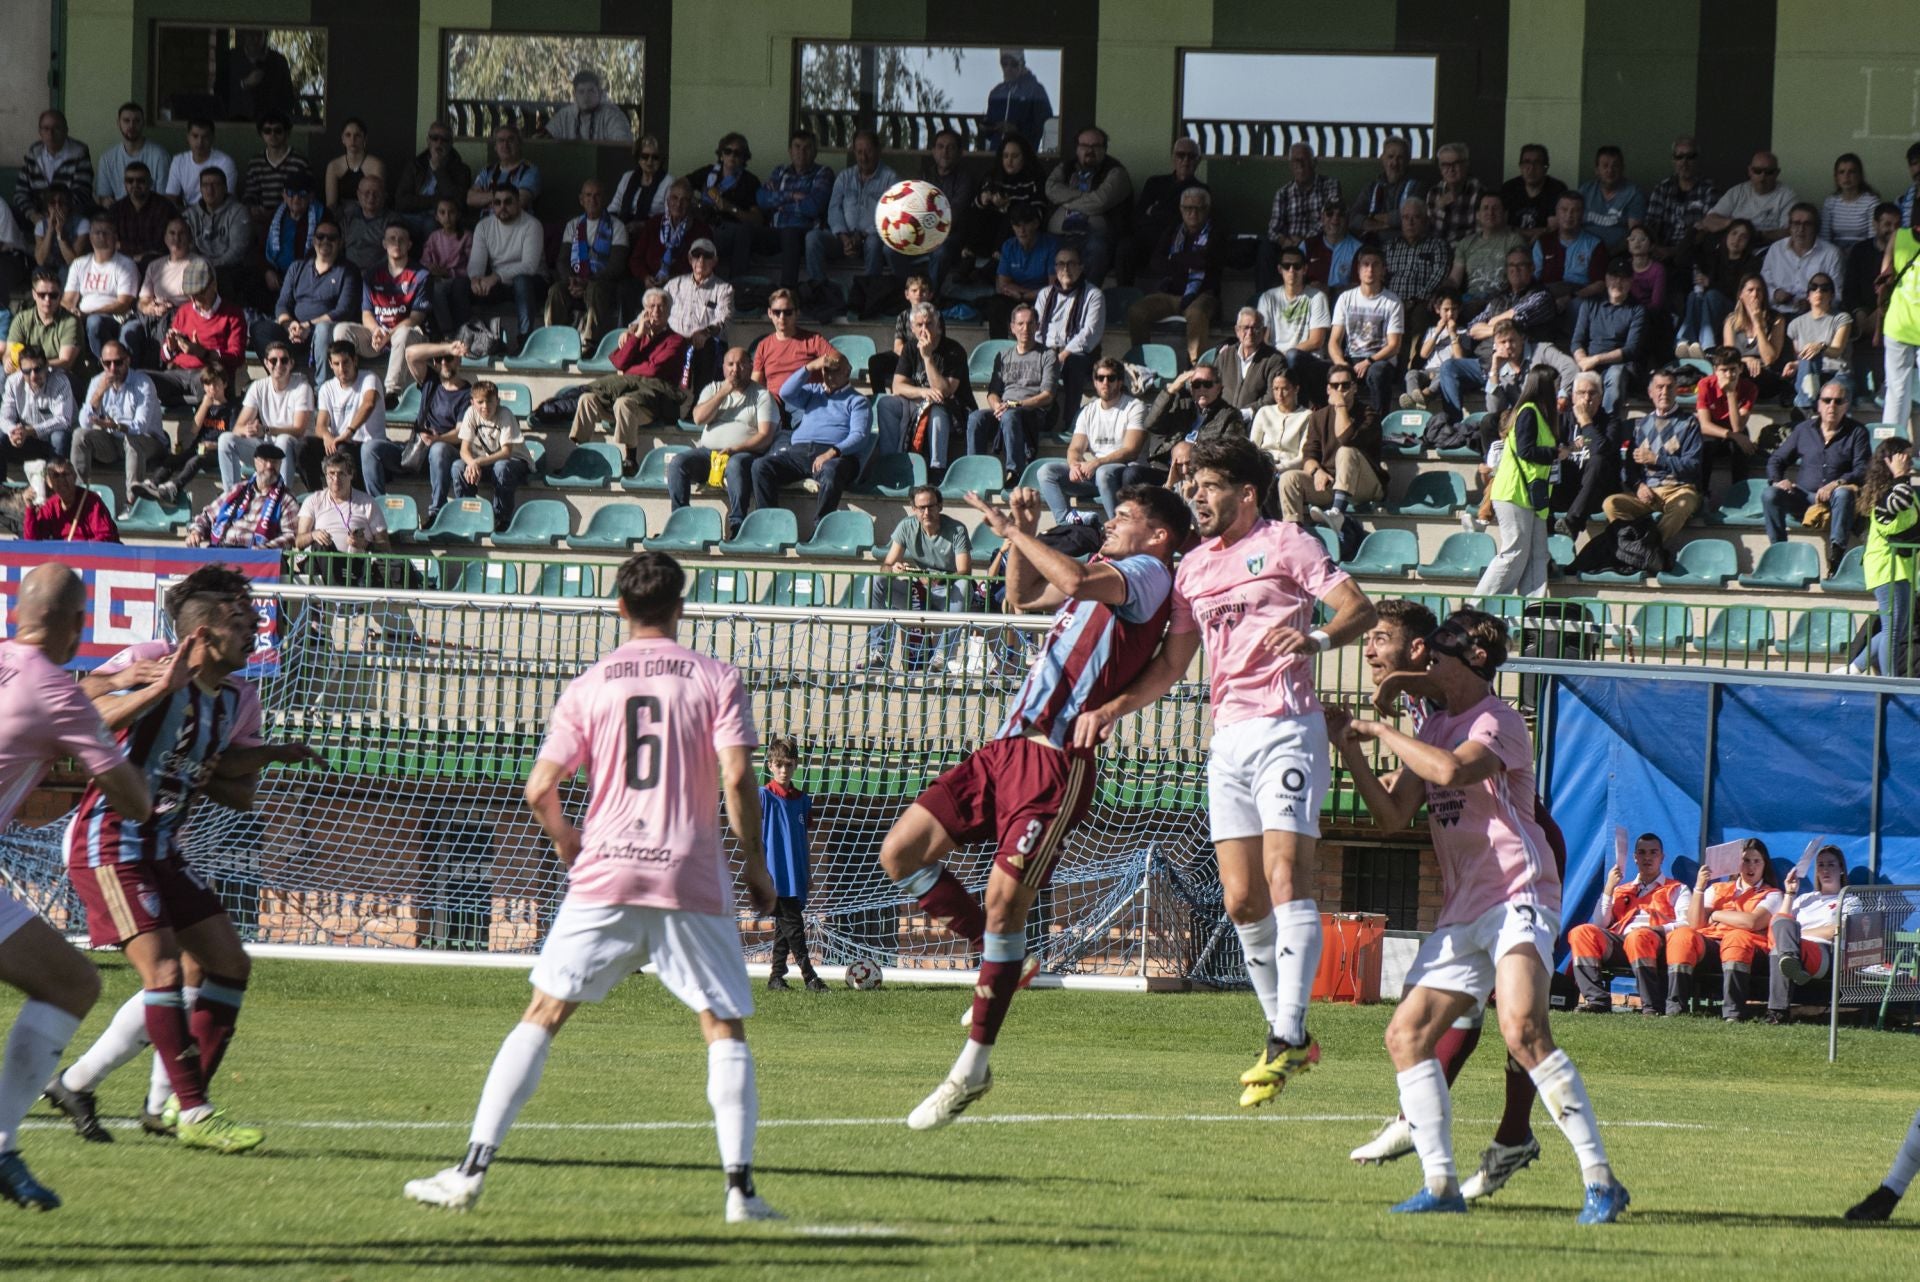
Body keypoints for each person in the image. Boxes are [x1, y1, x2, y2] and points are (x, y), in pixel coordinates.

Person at [402, 551, 780, 1220]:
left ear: (619, 608)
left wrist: (565, 841)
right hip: (686, 870)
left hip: (605, 869)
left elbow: (540, 788)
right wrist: (752, 861)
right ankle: (739, 1192)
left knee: (543, 1015)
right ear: (681, 608)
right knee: (722, 1025)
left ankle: (469, 1172)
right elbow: (738, 777)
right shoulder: (716, 676)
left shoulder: (590, 682)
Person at [876, 480, 1189, 1127]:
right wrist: (1024, 534)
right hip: (1005, 747)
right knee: (898, 854)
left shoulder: (1149, 576)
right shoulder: (1104, 575)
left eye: (1124, 517)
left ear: (1156, 535)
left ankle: (973, 1067)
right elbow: (1023, 597)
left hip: (1055, 762)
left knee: (1002, 900)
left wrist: (1014, 533)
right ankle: (1008, 962)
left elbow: (1073, 583)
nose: (1111, 524)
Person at [1079, 439, 1374, 1110]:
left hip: (1287, 729)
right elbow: (1172, 665)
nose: (1198, 497)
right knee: (1240, 900)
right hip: (1230, 740)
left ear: (1247, 493)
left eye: (1210, 485)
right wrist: (1114, 708)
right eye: (1194, 485)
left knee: (1284, 877)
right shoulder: (1191, 570)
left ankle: (1286, 1032)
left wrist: (1317, 638)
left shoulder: (1289, 542)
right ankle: (1287, 1034)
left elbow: (1361, 609)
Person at [1329, 609, 1628, 1221]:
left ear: (1474, 663)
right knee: (1405, 1035)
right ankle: (1440, 1187)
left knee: (1521, 1028)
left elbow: (1452, 771)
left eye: (1440, 655)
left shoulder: (1500, 720)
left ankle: (1601, 1180)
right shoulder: (1436, 724)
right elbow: (1390, 817)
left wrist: (1377, 731)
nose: (1429, 663)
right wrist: (1347, 749)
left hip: (1519, 892)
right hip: (1466, 904)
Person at [50, 568, 322, 1154]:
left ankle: (169, 1101)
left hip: (161, 848)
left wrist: (272, 754)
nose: (254, 635)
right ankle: (192, 1111)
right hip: (109, 844)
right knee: (166, 971)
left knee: (228, 962)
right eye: (242, 624)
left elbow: (229, 787)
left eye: (255, 623)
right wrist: (150, 687)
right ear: (201, 634)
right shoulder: (157, 670)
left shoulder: (231, 700)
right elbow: (82, 718)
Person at [1343, 598, 1563, 1199]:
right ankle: (1440, 1122)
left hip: (1520, 856)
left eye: (1381, 639)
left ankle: (1490, 1128)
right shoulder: (1421, 698)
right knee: (1450, 1009)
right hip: (1469, 864)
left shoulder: (1435, 683)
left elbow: (1445, 754)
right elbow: (1395, 807)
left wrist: (1388, 703)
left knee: (1516, 1018)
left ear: (1423, 651)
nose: (1369, 651)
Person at [0, 563, 152, 1210]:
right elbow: (134, 800)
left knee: (69, 979)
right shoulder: (56, 693)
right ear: (73, 626)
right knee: (71, 984)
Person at [1567, 832, 1690, 1015]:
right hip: (1622, 942)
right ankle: (1597, 1001)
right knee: (1581, 932)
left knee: (1638, 937)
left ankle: (1651, 1007)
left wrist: (1658, 929)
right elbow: (1600, 923)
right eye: (1642, 852)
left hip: (1655, 943)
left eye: (1653, 852)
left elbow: (1688, 923)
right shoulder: (1622, 889)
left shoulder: (1677, 889)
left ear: (1662, 857)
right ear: (1634, 858)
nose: (1647, 857)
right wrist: (1609, 888)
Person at [569, 289, 688, 473]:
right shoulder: (635, 337)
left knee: (624, 403)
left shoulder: (676, 341)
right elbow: (618, 362)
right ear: (644, 311)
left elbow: (654, 370)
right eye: (651, 307)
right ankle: (580, 453)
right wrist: (637, 335)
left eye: (661, 307)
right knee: (587, 399)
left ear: (669, 311)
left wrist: (627, 371)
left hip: (651, 403)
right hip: (622, 397)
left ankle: (630, 458)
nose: (656, 311)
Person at [1472, 366, 1564, 600]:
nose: (1558, 389)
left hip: (1532, 496)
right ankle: (1477, 606)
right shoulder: (1528, 411)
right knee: (1514, 552)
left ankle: (1533, 610)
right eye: (1555, 384)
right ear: (1544, 386)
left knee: (1537, 555)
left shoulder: (1539, 414)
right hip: (1514, 492)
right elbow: (1526, 450)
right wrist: (1556, 453)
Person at [749, 353, 870, 527]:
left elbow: (860, 436)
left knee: (831, 471)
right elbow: (786, 393)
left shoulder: (858, 401)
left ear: (847, 372)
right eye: (826, 371)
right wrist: (809, 367)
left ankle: (821, 527)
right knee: (761, 466)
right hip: (799, 452)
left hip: (836, 455)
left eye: (835, 372)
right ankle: (770, 525)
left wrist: (831, 452)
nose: (829, 376)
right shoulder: (814, 391)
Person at [668, 347, 777, 540]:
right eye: (731, 364)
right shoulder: (713, 389)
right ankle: (680, 521)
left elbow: (765, 436)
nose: (736, 369)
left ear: (750, 366)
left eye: (741, 364)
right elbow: (699, 418)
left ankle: (738, 525)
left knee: (735, 465)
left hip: (744, 454)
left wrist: (735, 449)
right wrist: (723, 392)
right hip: (708, 454)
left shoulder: (762, 396)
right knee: (678, 463)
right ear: (723, 367)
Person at [1665, 837, 1779, 1020]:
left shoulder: (1772, 894)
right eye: (1745, 861)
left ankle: (1733, 1013)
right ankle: (1675, 1009)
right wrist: (1700, 888)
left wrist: (1716, 914)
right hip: (1712, 944)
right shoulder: (1718, 888)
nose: (1751, 867)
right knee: (1682, 936)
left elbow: (1752, 922)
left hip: (1746, 949)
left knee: (1736, 937)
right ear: (1736, 864)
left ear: (1765, 864)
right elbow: (1696, 924)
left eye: (1757, 861)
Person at [1763, 382, 1868, 574]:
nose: (1832, 406)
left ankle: (1836, 559)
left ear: (1846, 405)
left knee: (1844, 494)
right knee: (1770, 494)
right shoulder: (1804, 429)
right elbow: (1776, 459)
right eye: (1827, 400)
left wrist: (1836, 484)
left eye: (1838, 401)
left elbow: (1862, 469)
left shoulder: (1857, 432)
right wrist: (1778, 481)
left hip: (1837, 499)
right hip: (1803, 498)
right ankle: (1779, 552)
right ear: (1819, 404)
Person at [865, 486, 974, 671]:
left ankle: (941, 657)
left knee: (964, 585)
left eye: (931, 506)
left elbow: (964, 571)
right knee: (875, 581)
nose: (926, 512)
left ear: (940, 506)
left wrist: (940, 579)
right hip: (916, 590)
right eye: (921, 508)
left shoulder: (957, 529)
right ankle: (879, 653)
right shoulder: (906, 526)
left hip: (946, 591)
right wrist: (894, 568)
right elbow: (886, 564)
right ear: (913, 508)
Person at [1279, 369, 1388, 547]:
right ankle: (1293, 534)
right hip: (1331, 483)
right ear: (1327, 389)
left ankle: (1337, 512)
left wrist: (1340, 407)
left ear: (1354, 388)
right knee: (1288, 478)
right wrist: (1316, 472)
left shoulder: (1370, 415)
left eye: (1345, 385)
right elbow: (1309, 455)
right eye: (1334, 386)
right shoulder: (1318, 417)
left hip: (1365, 485)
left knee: (1346, 451)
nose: (1340, 390)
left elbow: (1346, 438)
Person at [1036, 356, 1146, 522]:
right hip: (1095, 475)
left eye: (1111, 378)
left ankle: (1116, 527)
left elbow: (1131, 451)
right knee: (1046, 472)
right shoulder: (1088, 411)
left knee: (1103, 473)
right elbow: (1075, 449)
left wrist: (1097, 463)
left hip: (1124, 474)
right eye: (1100, 378)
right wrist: (1074, 465)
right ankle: (1067, 522)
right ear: (1094, 382)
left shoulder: (1135, 407)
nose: (1105, 382)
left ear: (1120, 382)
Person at [1602, 366, 1704, 544]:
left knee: (1683, 505)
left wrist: (1657, 459)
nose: (1664, 392)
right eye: (1659, 387)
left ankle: (1647, 547)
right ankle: (1630, 545)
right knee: (1611, 504)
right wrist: (1638, 486)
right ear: (1650, 392)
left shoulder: (1689, 423)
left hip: (1680, 490)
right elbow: (1629, 469)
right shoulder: (1640, 425)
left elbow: (1693, 466)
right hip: (1648, 493)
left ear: (1676, 391)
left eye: (1669, 387)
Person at [1128, 188, 1224, 366]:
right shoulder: (1173, 231)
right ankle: (1141, 364)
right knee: (1137, 312)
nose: (1192, 213)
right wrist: (1188, 260)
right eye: (1187, 208)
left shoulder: (1216, 232)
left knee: (1196, 314)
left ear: (1206, 209)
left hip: (1203, 295)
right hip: (1170, 294)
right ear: (1180, 209)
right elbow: (1156, 262)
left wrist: (1174, 259)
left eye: (1198, 208)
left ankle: (1197, 368)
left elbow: (1206, 261)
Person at [335, 222, 430, 398]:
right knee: (341, 330)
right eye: (392, 239)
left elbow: (417, 317)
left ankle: (392, 393)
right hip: (378, 337)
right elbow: (367, 313)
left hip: (408, 338)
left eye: (402, 239)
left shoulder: (420, 274)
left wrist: (390, 333)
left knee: (403, 333)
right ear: (384, 243)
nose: (397, 243)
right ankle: (348, 383)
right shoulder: (372, 273)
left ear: (409, 245)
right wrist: (376, 330)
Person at [759, 737, 823, 992]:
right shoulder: (763, 796)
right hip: (774, 874)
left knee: (786, 928)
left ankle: (776, 977)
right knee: (794, 927)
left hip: (795, 873)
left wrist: (807, 872)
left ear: (796, 766)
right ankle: (810, 977)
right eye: (779, 765)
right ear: (770, 766)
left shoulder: (801, 800)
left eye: (789, 765)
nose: (784, 770)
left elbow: (804, 839)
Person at [883, 303, 971, 481]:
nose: (924, 329)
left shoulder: (954, 350)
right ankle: (889, 462)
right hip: (919, 402)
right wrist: (923, 392)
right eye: (919, 325)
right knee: (886, 403)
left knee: (936, 409)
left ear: (938, 326)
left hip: (953, 409)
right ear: (913, 329)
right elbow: (898, 386)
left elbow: (944, 391)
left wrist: (927, 357)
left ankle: (937, 468)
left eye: (929, 323)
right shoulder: (909, 347)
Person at [967, 303, 1056, 478]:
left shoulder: (1047, 355)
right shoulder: (1003, 356)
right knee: (975, 417)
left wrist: (1016, 404)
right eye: (1021, 324)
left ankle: (1014, 470)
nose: (1026, 328)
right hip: (1006, 410)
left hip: (1033, 412)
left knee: (1010, 415)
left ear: (1037, 326)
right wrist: (997, 406)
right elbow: (992, 392)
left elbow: (1047, 396)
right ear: (1012, 327)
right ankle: (973, 469)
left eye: (1030, 323)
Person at [1768, 844, 1849, 1025]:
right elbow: (1779, 923)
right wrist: (1789, 892)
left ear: (1841, 869)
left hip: (1827, 952)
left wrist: (1795, 934)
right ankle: (1778, 1013)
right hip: (1798, 948)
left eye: (1831, 864)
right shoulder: (1805, 899)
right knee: (1779, 933)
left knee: (1782, 945)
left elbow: (1836, 930)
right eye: (1820, 865)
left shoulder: (1850, 899)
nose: (1825, 869)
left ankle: (1777, 1011)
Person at [454, 186, 546, 348]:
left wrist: (496, 276)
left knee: (521, 281)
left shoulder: (532, 225)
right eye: (497, 202)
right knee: (460, 285)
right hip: (500, 285)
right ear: (492, 205)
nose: (502, 207)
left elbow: (529, 266)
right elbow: (476, 263)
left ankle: (525, 341)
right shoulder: (484, 226)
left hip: (532, 284)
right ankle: (464, 339)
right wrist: (475, 279)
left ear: (518, 203)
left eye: (508, 202)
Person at [218, 339, 314, 491]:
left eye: (284, 360)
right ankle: (231, 497)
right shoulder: (258, 386)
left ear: (291, 363)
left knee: (283, 440)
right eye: (273, 360)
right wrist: (248, 430)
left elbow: (299, 430)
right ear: (266, 363)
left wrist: (266, 430)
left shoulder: (302, 387)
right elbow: (238, 428)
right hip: (267, 447)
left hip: (296, 450)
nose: (279, 365)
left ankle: (281, 497)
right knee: (226, 439)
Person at [72, 339, 165, 494]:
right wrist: (99, 393)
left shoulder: (143, 383)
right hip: (113, 442)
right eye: (107, 363)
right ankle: (80, 494)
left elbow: (140, 426)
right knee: (79, 435)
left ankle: (133, 499)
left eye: (118, 362)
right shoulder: (97, 382)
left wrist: (115, 425)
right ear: (101, 363)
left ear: (127, 360)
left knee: (131, 439)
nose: (113, 368)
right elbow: (84, 423)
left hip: (148, 442)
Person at [545, 179, 629, 347]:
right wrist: (572, 281)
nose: (593, 200)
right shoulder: (573, 225)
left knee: (594, 288)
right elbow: (562, 260)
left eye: (597, 196)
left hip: (604, 285)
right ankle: (552, 341)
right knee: (555, 291)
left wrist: (587, 282)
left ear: (605, 199)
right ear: (581, 199)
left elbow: (616, 266)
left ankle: (589, 343)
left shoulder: (617, 226)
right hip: (575, 282)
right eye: (588, 195)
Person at [806, 130, 898, 285]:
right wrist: (844, 237)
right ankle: (819, 289)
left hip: (872, 238)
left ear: (878, 150)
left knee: (874, 242)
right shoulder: (845, 177)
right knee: (812, 238)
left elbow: (892, 216)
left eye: (868, 151)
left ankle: (869, 294)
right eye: (859, 152)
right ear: (854, 152)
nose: (863, 157)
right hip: (843, 239)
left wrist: (862, 234)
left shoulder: (891, 178)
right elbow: (834, 209)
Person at [136, 361, 233, 502]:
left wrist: (214, 445)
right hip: (198, 448)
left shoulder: (232, 408)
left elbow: (233, 437)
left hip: (217, 452)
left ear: (224, 384)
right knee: (174, 459)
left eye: (216, 384)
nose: (212, 389)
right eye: (208, 385)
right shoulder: (204, 406)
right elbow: (194, 429)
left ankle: (174, 487)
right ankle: (153, 483)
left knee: (195, 461)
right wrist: (205, 406)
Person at [1045, 127, 1130, 286]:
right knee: (1042, 246)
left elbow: (1099, 202)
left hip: (1094, 236)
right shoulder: (1066, 167)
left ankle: (1086, 297)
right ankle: (1052, 300)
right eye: (1084, 146)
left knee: (1097, 248)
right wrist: (1085, 197)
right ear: (1077, 148)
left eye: (1096, 146)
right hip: (1059, 234)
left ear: (1104, 149)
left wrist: (1065, 199)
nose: (1089, 150)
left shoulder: (1116, 172)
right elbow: (1050, 189)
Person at [1862, 437, 1918, 677]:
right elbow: (1900, 502)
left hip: (1902, 569)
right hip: (1886, 568)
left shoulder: (1900, 487)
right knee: (1894, 631)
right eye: (1905, 456)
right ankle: (1889, 684)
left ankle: (1854, 666)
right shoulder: (1888, 492)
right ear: (1893, 460)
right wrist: (1900, 475)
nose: (1911, 461)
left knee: (1897, 630)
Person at [1329, 247, 1406, 417]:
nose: (1370, 269)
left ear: (1383, 270)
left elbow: (1394, 346)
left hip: (1379, 359)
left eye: (1375, 265)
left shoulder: (1392, 302)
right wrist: (1340, 363)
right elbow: (1334, 341)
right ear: (1358, 269)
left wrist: (1368, 361)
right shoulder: (1345, 298)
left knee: (1378, 372)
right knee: (1325, 370)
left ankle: (1378, 425)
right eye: (1365, 264)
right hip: (1351, 357)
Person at [1255, 143, 1341, 293]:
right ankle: (1264, 298)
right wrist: (1285, 241)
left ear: (1314, 163)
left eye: (1304, 160)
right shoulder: (1283, 193)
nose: (1300, 165)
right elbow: (1273, 229)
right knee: (1265, 247)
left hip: (1317, 242)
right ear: (1291, 165)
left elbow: (1330, 219)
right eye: (1295, 161)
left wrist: (1303, 241)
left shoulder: (1330, 185)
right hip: (1288, 245)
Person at [753, 130, 833, 292]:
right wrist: (793, 195)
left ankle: (787, 291)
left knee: (790, 233)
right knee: (744, 232)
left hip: (803, 234)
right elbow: (761, 199)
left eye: (807, 147)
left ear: (815, 152)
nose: (801, 152)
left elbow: (814, 207)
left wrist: (780, 202)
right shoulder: (780, 172)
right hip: (775, 232)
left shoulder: (823, 173)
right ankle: (739, 286)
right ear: (790, 151)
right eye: (797, 147)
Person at [1551, 370, 1626, 539]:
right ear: (1573, 397)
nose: (1586, 399)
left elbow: (1601, 450)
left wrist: (1585, 421)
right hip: (1570, 489)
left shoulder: (1611, 423)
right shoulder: (1562, 420)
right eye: (1581, 393)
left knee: (1597, 461)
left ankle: (1572, 523)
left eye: (1592, 393)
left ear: (1600, 398)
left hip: (1598, 494)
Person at [294, 448, 391, 580]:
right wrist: (313, 535)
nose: (336, 479)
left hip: (356, 561)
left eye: (341, 474)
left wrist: (365, 544)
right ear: (325, 475)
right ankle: (336, 590)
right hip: (325, 560)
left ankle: (334, 594)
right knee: (321, 544)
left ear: (351, 475)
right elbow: (299, 542)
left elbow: (385, 547)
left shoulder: (367, 503)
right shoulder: (313, 500)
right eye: (331, 474)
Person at [1033, 245, 1105, 423]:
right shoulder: (1045, 294)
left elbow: (1090, 332)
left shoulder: (1093, 295)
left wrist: (1064, 353)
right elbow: (1036, 329)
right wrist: (1042, 354)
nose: (1066, 269)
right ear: (1055, 268)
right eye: (1061, 264)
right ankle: (1040, 419)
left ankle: (1070, 421)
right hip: (1048, 351)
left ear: (1081, 267)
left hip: (1079, 354)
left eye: (1071, 263)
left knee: (1073, 362)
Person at [314, 340, 396, 495]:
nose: (341, 368)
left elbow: (368, 404)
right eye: (336, 364)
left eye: (345, 362)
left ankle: (362, 501)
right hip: (341, 444)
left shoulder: (369, 378)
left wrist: (349, 432)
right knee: (304, 447)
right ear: (330, 365)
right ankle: (317, 496)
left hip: (367, 444)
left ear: (355, 360)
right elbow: (320, 425)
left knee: (346, 449)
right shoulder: (326, 388)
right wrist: (327, 436)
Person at [184, 441, 295, 549]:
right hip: (222, 550)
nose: (270, 466)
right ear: (256, 462)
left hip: (258, 559)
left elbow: (291, 536)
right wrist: (195, 532)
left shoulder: (286, 499)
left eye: (275, 462)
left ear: (280, 465)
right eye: (265, 461)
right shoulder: (238, 490)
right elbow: (207, 517)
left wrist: (265, 548)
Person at [453, 380, 533, 530]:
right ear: (472, 402)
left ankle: (501, 518)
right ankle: (468, 513)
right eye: (480, 402)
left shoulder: (505, 414)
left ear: (498, 401)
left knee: (501, 467)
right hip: (487, 462)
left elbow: (506, 452)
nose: (485, 406)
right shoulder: (470, 413)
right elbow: (464, 450)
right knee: (458, 466)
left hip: (515, 463)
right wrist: (472, 463)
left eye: (490, 401)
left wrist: (478, 462)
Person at [1570, 259, 1646, 415]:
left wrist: (1596, 359)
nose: (1618, 282)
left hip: (1619, 365)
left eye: (1623, 278)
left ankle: (1607, 425)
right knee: (1569, 375)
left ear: (1631, 281)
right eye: (1614, 276)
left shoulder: (1637, 310)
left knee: (1615, 376)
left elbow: (1631, 349)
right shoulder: (1590, 304)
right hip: (1588, 363)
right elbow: (1577, 341)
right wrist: (1583, 361)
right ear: (1606, 279)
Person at [122, 217, 200, 369]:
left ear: (189, 237)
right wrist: (151, 308)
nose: (176, 238)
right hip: (153, 315)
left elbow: (203, 300)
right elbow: (142, 301)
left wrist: (172, 308)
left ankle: (157, 374)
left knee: (166, 327)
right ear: (165, 238)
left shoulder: (199, 264)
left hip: (182, 316)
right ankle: (128, 375)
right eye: (172, 233)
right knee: (128, 330)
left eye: (181, 233)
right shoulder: (155, 265)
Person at [1257, 245, 1333, 402]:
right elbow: (1263, 338)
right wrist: (1278, 356)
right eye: (1286, 266)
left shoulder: (1317, 297)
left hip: (1309, 360)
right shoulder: (1268, 297)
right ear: (1279, 269)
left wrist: (1285, 354)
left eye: (1297, 266)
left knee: (1292, 357)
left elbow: (1316, 340)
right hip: (1276, 358)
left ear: (1305, 269)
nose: (1292, 271)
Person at [1128, 138, 1205, 286]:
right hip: (1147, 238)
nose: (1185, 160)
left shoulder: (1201, 190)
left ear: (1198, 161)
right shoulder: (1155, 183)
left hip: (1174, 241)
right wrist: (1167, 212)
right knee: (1125, 248)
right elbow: (1138, 216)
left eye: (1191, 156)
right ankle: (1124, 294)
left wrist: (1155, 210)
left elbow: (1183, 221)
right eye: (1180, 155)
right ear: (1173, 158)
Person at [1676, 217, 1758, 357]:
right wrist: (1695, 230)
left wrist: (1710, 283)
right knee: (1693, 296)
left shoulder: (1750, 263)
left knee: (1712, 295)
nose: (1736, 240)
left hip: (1732, 308)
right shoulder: (1714, 255)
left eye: (1742, 237)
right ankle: (1685, 343)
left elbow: (1740, 292)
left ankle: (1708, 347)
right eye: (1733, 233)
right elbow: (1681, 257)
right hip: (1706, 305)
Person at [61, 221, 138, 363]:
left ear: (115, 237)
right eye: (97, 232)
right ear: (90, 237)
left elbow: (124, 303)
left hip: (115, 318)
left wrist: (89, 314)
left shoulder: (126, 264)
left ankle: (104, 365)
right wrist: (72, 310)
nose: (101, 235)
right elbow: (67, 299)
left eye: (106, 232)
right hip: (82, 316)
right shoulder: (79, 264)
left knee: (94, 322)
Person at [692, 133, 761, 281]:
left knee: (742, 232)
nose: (732, 156)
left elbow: (757, 220)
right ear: (721, 155)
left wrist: (730, 208)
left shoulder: (749, 181)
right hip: (702, 224)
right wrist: (694, 203)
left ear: (744, 158)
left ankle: (737, 284)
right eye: (728, 151)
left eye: (737, 153)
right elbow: (681, 185)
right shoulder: (708, 172)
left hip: (728, 229)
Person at [987, 204, 1060, 339]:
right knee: (995, 304)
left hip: (1042, 300)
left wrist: (1023, 296)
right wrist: (1022, 295)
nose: (1022, 230)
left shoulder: (1051, 245)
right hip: (1017, 297)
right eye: (1017, 225)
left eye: (1026, 224)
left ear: (1036, 223)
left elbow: (1052, 288)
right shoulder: (1009, 246)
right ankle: (998, 349)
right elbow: (1004, 284)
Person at [0, 347, 75, 479]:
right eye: (27, 371)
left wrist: (30, 430)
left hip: (54, 442)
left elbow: (63, 420)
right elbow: (5, 416)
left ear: (46, 366)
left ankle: (56, 488)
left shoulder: (60, 381)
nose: (33, 375)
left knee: (59, 437)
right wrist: (13, 432)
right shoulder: (13, 382)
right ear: (21, 371)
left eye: (38, 369)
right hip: (27, 440)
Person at [181, 167, 251, 304]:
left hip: (229, 269)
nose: (210, 189)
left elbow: (237, 251)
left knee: (224, 277)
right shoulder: (190, 214)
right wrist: (202, 266)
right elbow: (187, 246)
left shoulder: (239, 212)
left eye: (215, 184)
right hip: (197, 266)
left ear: (225, 188)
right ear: (200, 189)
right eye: (205, 185)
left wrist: (211, 267)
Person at [1645, 135, 1715, 268]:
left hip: (1694, 255)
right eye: (1679, 157)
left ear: (1698, 160)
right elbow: (1651, 224)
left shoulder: (1709, 190)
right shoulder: (1662, 189)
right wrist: (1655, 248)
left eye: (1690, 157)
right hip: (1660, 253)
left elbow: (1707, 230)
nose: (1684, 162)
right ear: (1673, 160)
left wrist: (1674, 251)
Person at [1880, 197, 1920, 432]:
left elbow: (1884, 278)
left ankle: (1889, 449)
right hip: (1906, 325)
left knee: (1896, 391)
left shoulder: (1898, 236)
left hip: (1898, 323)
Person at [1762, 205, 1845, 316]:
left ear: (1816, 228)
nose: (1801, 229)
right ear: (1790, 227)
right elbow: (1763, 283)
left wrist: (1813, 303)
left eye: (1807, 224)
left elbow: (1838, 294)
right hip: (1777, 313)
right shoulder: (1776, 249)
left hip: (1814, 315)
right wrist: (1775, 294)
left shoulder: (1831, 253)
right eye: (1796, 223)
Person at [1445, 192, 1525, 308]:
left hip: (1501, 301)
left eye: (1495, 208)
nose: (1490, 213)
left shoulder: (1514, 241)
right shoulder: (1466, 243)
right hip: (1470, 301)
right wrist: (1442, 293)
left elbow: (1520, 278)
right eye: (1485, 208)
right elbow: (1454, 279)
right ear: (1478, 215)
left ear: (1505, 214)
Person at [1697, 341, 1763, 479]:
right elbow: (1704, 425)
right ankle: (1702, 493)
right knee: (1705, 445)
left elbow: (1738, 427)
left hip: (1735, 426)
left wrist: (1731, 393)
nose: (1729, 375)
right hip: (1713, 430)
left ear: (1740, 368)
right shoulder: (1705, 384)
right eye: (1723, 370)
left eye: (1733, 369)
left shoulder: (1750, 388)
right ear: (1715, 370)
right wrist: (1733, 435)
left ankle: (1739, 491)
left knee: (1741, 446)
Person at [13, 111, 93, 223]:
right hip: (36, 215)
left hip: (68, 214)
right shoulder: (33, 154)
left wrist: (55, 214)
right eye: (46, 128)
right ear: (40, 132)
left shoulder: (79, 154)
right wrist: (33, 215)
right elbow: (20, 193)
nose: (50, 133)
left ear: (66, 131)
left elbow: (82, 193)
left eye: (57, 128)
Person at [1785, 274, 1852, 408]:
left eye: (1824, 288)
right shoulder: (1795, 324)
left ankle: (1805, 407)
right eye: (1813, 288)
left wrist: (1820, 347)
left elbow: (1837, 350)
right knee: (1808, 366)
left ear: (1832, 295)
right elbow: (1801, 358)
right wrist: (1794, 365)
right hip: (1809, 374)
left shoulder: (1841, 318)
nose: (1818, 291)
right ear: (1808, 295)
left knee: (1835, 395)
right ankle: (1807, 405)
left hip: (1836, 373)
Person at [1700, 151, 1798, 242]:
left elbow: (1789, 232)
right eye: (1757, 171)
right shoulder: (1737, 191)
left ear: (1777, 173)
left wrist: (1755, 234)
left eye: (1769, 172)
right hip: (1734, 245)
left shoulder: (1787, 196)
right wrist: (1735, 224)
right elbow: (1709, 221)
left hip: (1766, 246)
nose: (1762, 177)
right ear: (1750, 171)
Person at [394, 122, 473, 230]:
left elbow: (458, 202)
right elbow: (400, 201)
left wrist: (438, 170)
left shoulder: (462, 170)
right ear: (428, 141)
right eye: (435, 138)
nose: (439, 142)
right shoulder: (415, 164)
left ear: (451, 143)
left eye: (444, 139)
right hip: (411, 214)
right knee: (394, 222)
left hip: (440, 218)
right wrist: (435, 200)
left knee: (430, 224)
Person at [21, 458, 117, 542]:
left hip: (90, 557)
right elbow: (32, 541)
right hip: (64, 558)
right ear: (49, 482)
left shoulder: (92, 502)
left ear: (74, 477)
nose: (61, 480)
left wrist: (78, 550)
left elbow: (105, 538)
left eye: (65, 474)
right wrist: (30, 508)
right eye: (56, 476)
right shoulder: (50, 506)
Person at [8, 268, 82, 376]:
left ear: (60, 296)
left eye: (53, 295)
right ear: (34, 294)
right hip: (27, 373)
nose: (47, 300)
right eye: (42, 295)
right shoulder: (21, 319)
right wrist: (8, 362)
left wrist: (33, 366)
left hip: (61, 376)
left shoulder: (70, 321)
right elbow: (10, 353)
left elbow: (66, 362)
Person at [241, 112, 310, 224]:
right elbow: (249, 194)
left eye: (278, 130)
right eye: (267, 131)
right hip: (261, 219)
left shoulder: (300, 162)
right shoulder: (255, 162)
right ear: (261, 134)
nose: (272, 135)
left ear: (287, 133)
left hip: (292, 217)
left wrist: (278, 213)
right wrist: (254, 208)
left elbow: (306, 196)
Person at [94, 102, 169, 205]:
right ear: (118, 123)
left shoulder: (160, 156)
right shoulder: (107, 158)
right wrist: (105, 202)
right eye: (126, 121)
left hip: (151, 214)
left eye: (137, 121)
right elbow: (103, 197)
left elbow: (164, 198)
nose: (131, 125)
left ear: (143, 123)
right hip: (119, 214)